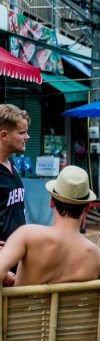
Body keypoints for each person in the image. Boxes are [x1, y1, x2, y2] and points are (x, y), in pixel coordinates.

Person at [0, 165, 100, 341]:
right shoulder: (96, 257)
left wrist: (8, 276)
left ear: (51, 202)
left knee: (37, 326)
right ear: (87, 208)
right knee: (55, 329)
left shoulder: (27, 235)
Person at [0, 104, 30, 253]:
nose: (27, 137)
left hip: (15, 254)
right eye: (22, 132)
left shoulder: (11, 162)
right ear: (4, 136)